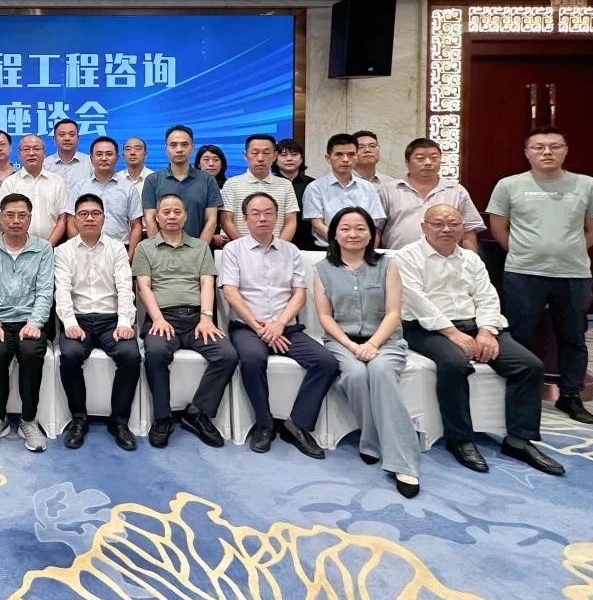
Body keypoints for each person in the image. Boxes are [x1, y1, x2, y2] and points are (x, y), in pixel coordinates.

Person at [395, 205, 562, 476]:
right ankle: (460, 438)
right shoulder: (407, 257)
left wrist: (485, 331)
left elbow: (487, 296)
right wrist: (453, 334)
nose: (446, 229)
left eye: (453, 223)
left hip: (475, 325)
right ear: (424, 227)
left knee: (529, 365)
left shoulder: (471, 259)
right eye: (438, 224)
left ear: (463, 228)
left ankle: (519, 440)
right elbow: (417, 301)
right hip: (427, 328)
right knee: (454, 363)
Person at [487, 127, 593, 425]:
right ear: (527, 152)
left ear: (565, 150)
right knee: (519, 335)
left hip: (573, 274)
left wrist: (567, 250)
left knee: (573, 336)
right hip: (523, 273)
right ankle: (520, 393)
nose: (547, 152)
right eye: (539, 147)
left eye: (555, 146)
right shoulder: (509, 185)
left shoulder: (587, 185)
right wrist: (525, 252)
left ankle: (570, 395)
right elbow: (499, 227)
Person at [312, 207, 420, 497]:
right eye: (345, 228)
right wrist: (351, 346)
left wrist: (373, 344)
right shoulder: (322, 269)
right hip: (342, 341)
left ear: (371, 234)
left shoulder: (388, 264)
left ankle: (404, 463)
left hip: (385, 340)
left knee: (381, 372)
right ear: (334, 234)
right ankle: (371, 440)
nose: (353, 234)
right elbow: (325, 316)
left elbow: (394, 312)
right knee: (355, 375)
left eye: (360, 228)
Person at [221, 193, 338, 458]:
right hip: (247, 327)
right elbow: (231, 293)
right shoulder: (233, 250)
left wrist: (279, 324)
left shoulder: (291, 250)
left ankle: (296, 424)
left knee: (326, 362)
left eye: (268, 213)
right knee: (252, 359)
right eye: (255, 213)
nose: (262, 218)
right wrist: (260, 327)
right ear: (245, 218)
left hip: (286, 327)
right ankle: (264, 425)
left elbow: (299, 294)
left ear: (277, 217)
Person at [133, 193, 235, 449]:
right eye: (166, 212)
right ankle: (162, 418)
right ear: (157, 217)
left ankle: (198, 412)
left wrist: (206, 317)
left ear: (186, 216)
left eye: (177, 212)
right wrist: (157, 319)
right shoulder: (145, 248)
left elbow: (207, 283)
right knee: (156, 353)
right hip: (162, 318)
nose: (171, 216)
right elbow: (144, 287)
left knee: (227, 355)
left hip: (197, 319)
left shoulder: (200, 247)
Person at [55, 193, 140, 451]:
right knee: (70, 355)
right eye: (83, 214)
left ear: (104, 218)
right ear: (75, 220)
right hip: (78, 319)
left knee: (130, 356)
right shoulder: (63, 251)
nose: (89, 218)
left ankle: (119, 422)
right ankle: (79, 419)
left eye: (95, 213)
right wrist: (69, 323)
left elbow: (125, 288)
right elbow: (62, 290)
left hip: (111, 320)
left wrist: (125, 322)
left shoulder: (117, 249)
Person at [0, 193, 54, 452]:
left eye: (22, 215)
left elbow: (45, 290)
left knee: (30, 352)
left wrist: (36, 322)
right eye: (10, 215)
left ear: (30, 218)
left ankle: (29, 420)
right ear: (1, 218)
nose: (16, 220)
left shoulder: (43, 248)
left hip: (31, 319)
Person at [379, 139, 483, 250]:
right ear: (407, 162)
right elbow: (375, 228)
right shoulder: (389, 190)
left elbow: (469, 229)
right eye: (420, 158)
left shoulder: (456, 191)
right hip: (398, 256)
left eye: (434, 158)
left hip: (446, 258)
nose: (428, 163)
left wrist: (472, 258)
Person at [301, 134, 386, 248]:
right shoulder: (315, 187)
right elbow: (317, 225)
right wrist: (345, 245)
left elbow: (374, 223)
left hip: (362, 250)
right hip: (327, 249)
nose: (345, 159)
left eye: (351, 154)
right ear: (328, 158)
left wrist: (366, 250)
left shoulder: (368, 187)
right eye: (339, 154)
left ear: (356, 156)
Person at [141, 125, 222, 242]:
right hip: (161, 250)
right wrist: (157, 249)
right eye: (173, 145)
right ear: (166, 149)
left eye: (184, 144)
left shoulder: (208, 180)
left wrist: (200, 249)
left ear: (192, 147)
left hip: (198, 249)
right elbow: (150, 220)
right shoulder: (153, 180)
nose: (179, 149)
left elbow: (211, 220)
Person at [69, 136, 142, 258]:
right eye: (99, 154)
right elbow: (71, 222)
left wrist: (129, 257)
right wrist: (79, 251)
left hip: (119, 251)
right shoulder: (80, 187)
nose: (104, 158)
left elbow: (136, 225)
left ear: (117, 158)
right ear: (91, 159)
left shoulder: (128, 188)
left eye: (109, 154)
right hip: (84, 251)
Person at [221, 134, 299, 244]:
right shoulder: (231, 184)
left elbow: (291, 221)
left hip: (276, 249)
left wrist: (278, 247)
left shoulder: (286, 185)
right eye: (255, 153)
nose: (260, 158)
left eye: (266, 153)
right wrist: (245, 247)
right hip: (240, 248)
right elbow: (226, 221)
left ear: (275, 155)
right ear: (245, 155)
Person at [0, 135, 70, 245]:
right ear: (19, 154)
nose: (31, 153)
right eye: (26, 149)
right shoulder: (10, 183)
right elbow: (2, 218)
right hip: (18, 247)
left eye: (36, 149)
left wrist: (48, 247)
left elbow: (62, 218)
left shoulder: (57, 181)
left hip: (52, 247)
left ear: (44, 153)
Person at [274, 138, 316, 250]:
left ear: (301, 158)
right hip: (277, 242)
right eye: (283, 155)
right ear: (275, 158)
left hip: (309, 244)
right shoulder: (269, 184)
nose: (289, 159)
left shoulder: (313, 184)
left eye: (294, 154)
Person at [45, 118, 91, 198]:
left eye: (72, 135)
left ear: (78, 138)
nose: (67, 138)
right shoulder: (44, 165)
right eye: (62, 135)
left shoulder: (90, 162)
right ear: (54, 139)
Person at [119, 136, 154, 203]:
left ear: (145, 155)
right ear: (123, 155)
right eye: (128, 149)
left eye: (137, 149)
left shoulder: (154, 179)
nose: (132, 153)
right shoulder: (117, 179)